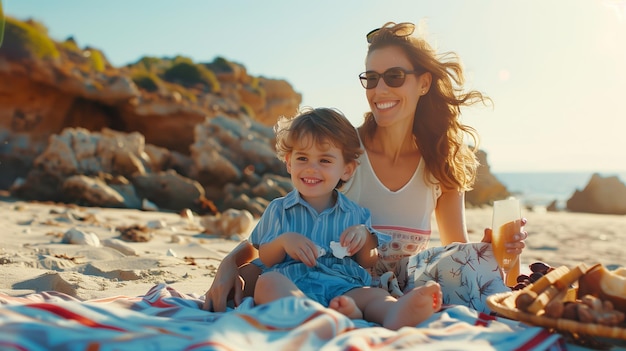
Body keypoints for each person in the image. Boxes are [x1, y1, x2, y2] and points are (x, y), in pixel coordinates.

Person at [203, 21, 527, 313]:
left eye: (394, 76)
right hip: (332, 277)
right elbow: (292, 220)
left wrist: (493, 250)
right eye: (371, 78)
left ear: (424, 83)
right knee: (253, 283)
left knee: (476, 259)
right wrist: (229, 264)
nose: (379, 90)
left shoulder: (440, 163)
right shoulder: (341, 153)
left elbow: (455, 248)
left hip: (398, 290)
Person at [250, 107, 442, 330]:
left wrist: (363, 237)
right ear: (289, 163)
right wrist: (283, 241)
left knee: (375, 296)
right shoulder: (278, 209)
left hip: (344, 285)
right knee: (266, 283)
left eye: (324, 161)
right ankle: (313, 314)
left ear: (347, 170)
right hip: (293, 284)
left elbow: (368, 261)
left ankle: (393, 312)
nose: (311, 168)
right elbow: (265, 256)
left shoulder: (356, 214)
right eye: (302, 158)